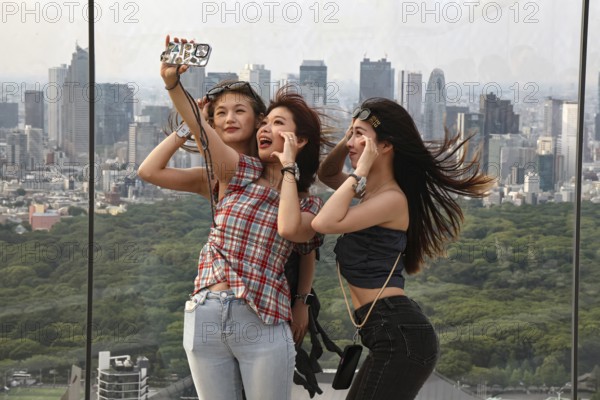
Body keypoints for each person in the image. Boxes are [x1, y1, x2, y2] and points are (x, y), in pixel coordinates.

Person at [149, 35, 326, 400]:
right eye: (266, 124)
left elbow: (296, 235)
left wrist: (302, 301)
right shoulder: (238, 171)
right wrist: (172, 83)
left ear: (300, 139)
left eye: (275, 123)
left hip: (263, 315)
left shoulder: (309, 205)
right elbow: (196, 130)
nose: (264, 129)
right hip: (207, 312)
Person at [312, 98, 494, 400]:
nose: (353, 142)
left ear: (385, 146)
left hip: (398, 333)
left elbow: (323, 223)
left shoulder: (391, 199)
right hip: (387, 332)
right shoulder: (371, 194)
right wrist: (350, 140)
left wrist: (359, 170)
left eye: (361, 135)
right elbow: (327, 174)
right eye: (350, 134)